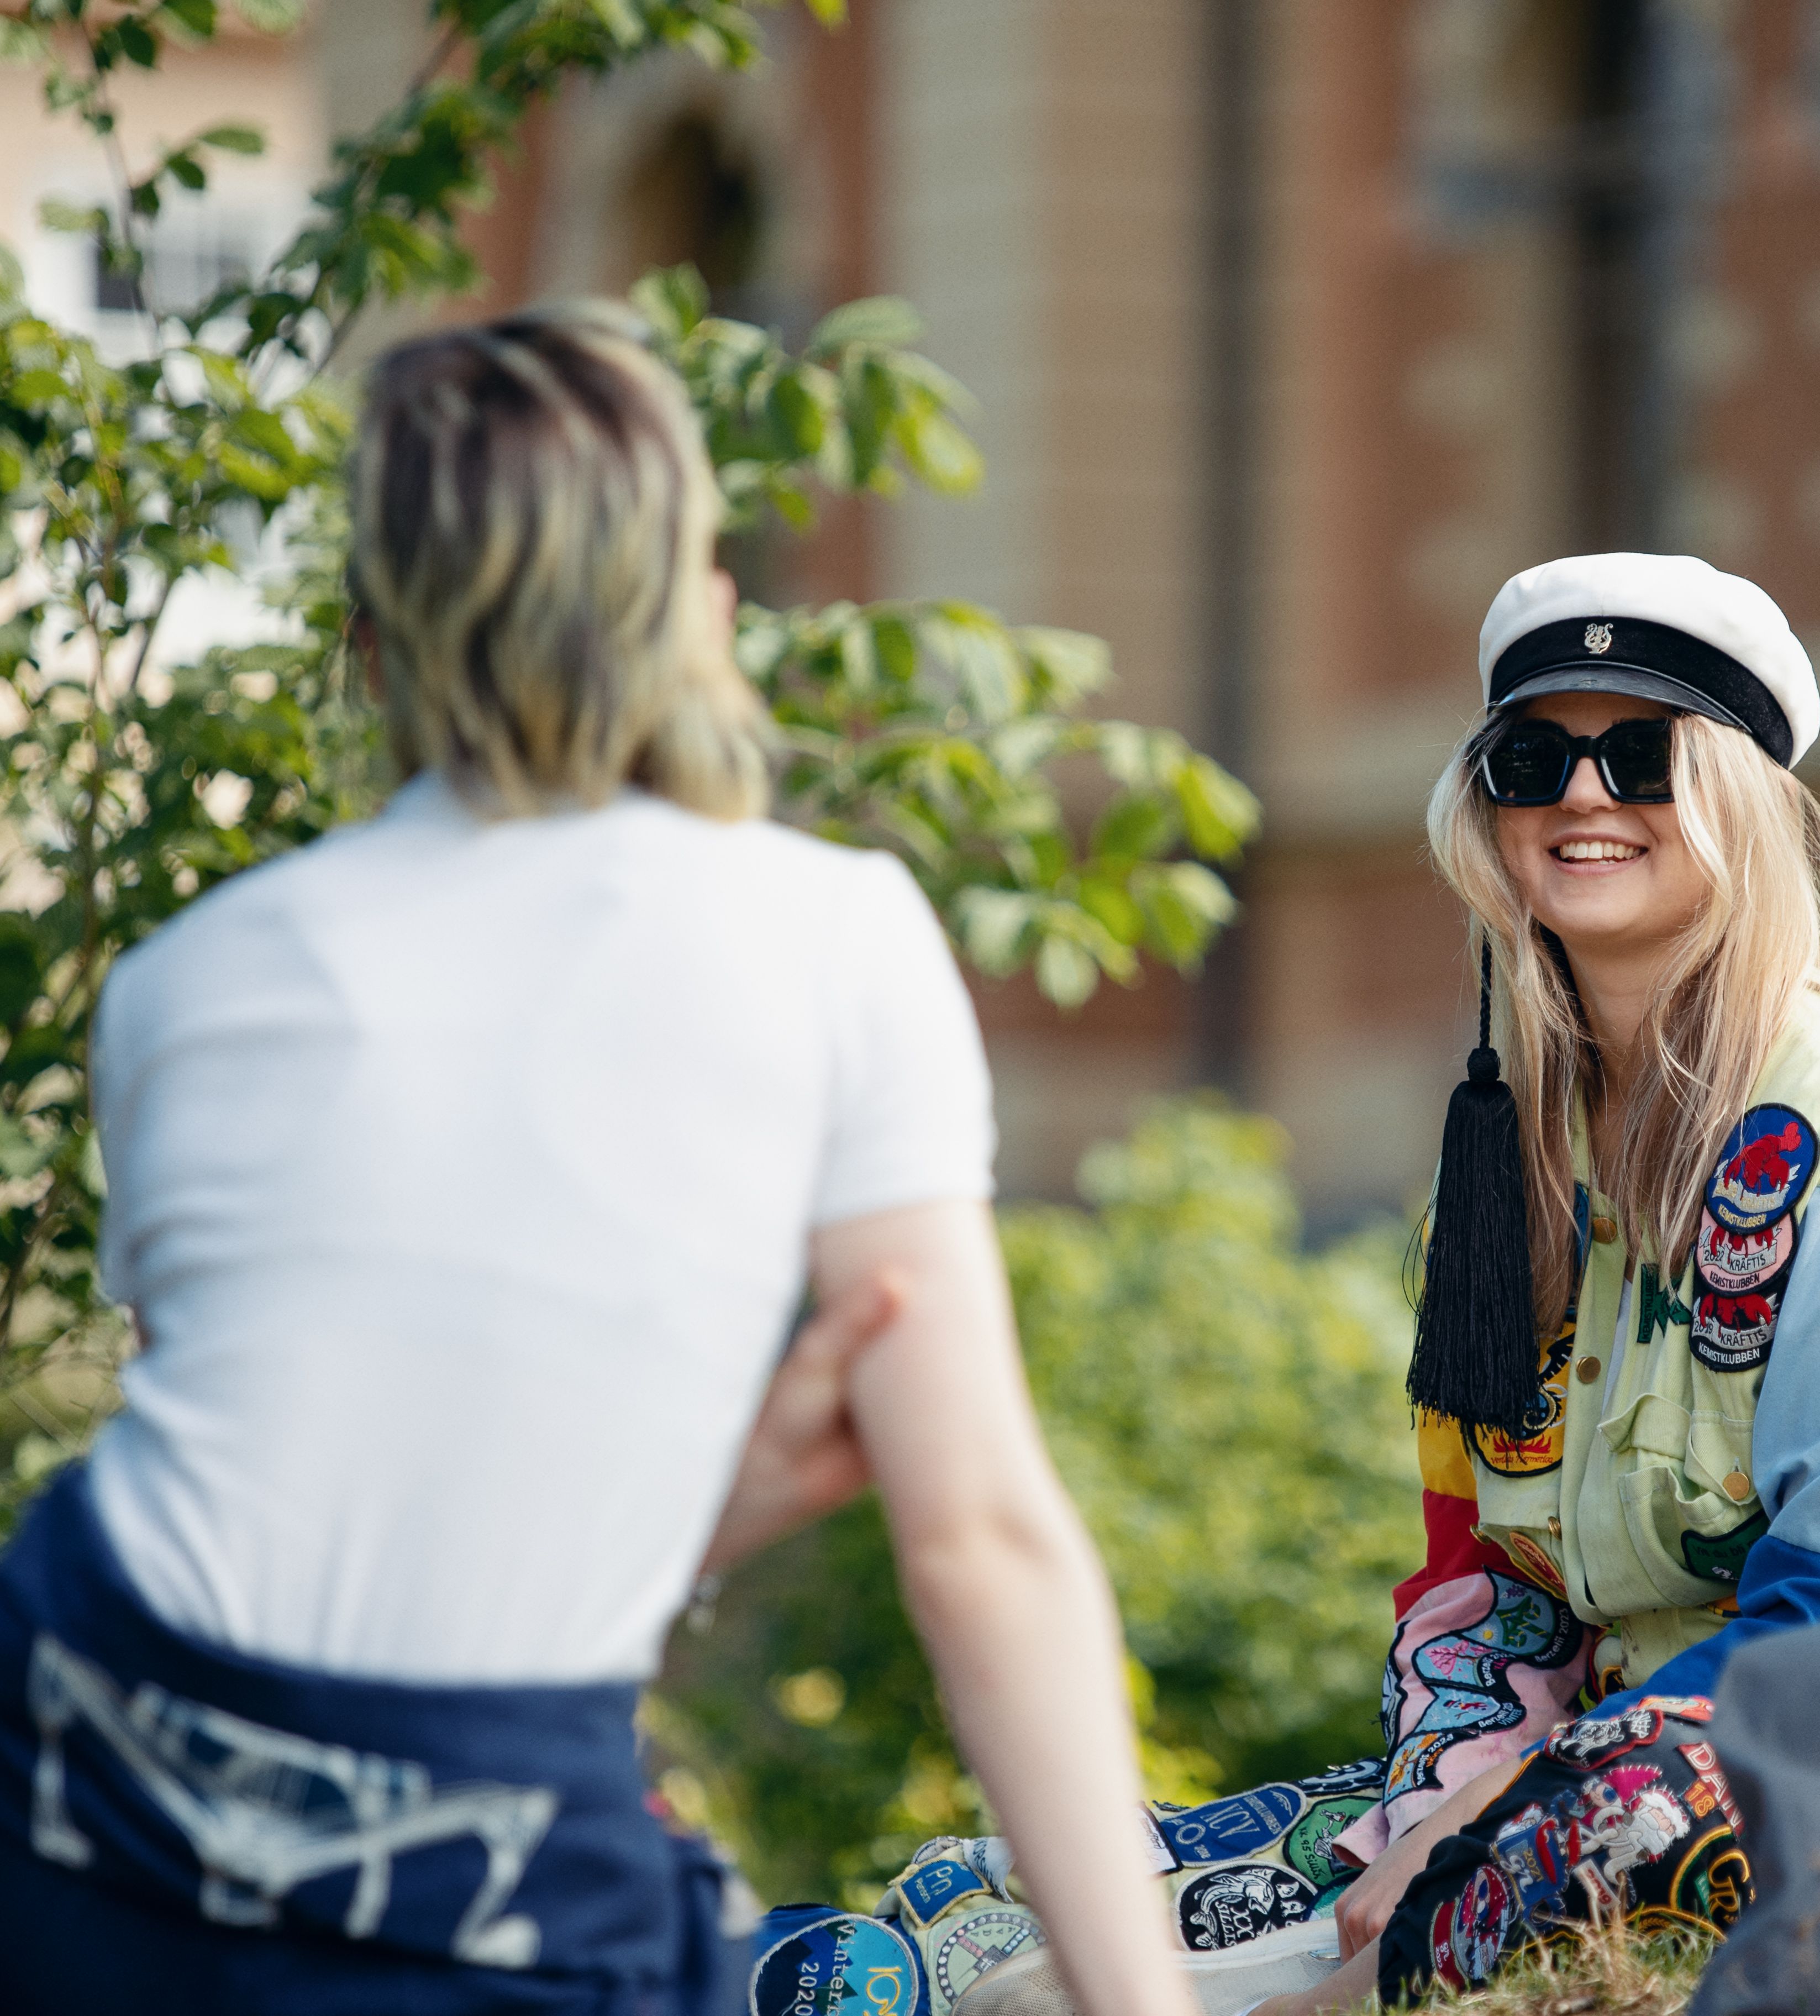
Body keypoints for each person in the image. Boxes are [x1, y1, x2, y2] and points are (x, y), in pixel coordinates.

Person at [0, 306, 1194, 2016]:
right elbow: (980, 1544)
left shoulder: (184, 978)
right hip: (480, 1863)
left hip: (80, 1786)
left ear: (369, 647)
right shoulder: (828, 936)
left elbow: (322, 1512)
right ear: (701, 616)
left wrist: (700, 1515)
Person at [1212, 552, 1820, 2013]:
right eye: (1534, 760)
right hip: (1608, 1761)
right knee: (992, 1926)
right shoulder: (1512, 1156)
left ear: (1739, 801)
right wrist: (1441, 1798)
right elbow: (1484, 1588)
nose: (1583, 799)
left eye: (1641, 755)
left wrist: (1484, 1835)